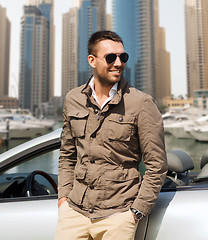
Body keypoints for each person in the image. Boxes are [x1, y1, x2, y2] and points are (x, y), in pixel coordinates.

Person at [55, 30, 167, 240]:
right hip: (74, 212)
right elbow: (67, 155)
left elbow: (157, 165)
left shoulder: (141, 103)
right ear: (92, 60)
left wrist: (135, 212)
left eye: (122, 57)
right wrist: (63, 199)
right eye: (110, 57)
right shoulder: (73, 99)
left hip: (119, 215)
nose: (118, 63)